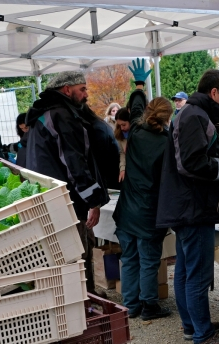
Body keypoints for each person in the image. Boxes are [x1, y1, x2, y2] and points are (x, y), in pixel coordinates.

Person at [157, 69, 219, 344]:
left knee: (185, 270)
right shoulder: (195, 115)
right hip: (193, 209)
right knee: (196, 273)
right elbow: (193, 164)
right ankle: (203, 336)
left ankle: (192, 326)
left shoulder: (192, 114)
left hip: (186, 207)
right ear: (214, 93)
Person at [25, 70, 108, 297]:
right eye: (82, 89)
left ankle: (72, 300)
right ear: (67, 89)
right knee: (77, 254)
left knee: (59, 257)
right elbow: (74, 163)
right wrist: (93, 202)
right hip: (68, 201)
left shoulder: (41, 116)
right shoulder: (62, 115)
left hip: (47, 198)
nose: (86, 94)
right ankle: (84, 302)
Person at [113, 59, 172, 321]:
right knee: (149, 260)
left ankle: (131, 306)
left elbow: (135, 106)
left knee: (130, 258)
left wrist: (139, 84)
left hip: (127, 208)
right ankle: (149, 306)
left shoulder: (135, 130)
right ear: (168, 117)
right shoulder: (168, 142)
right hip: (150, 211)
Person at [82, 104, 120, 191]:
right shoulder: (101, 125)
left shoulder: (97, 130)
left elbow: (101, 157)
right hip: (112, 169)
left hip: (110, 173)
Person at [114, 108, 130, 183]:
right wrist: (122, 168)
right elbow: (122, 152)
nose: (122, 128)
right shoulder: (120, 134)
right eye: (119, 125)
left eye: (124, 125)